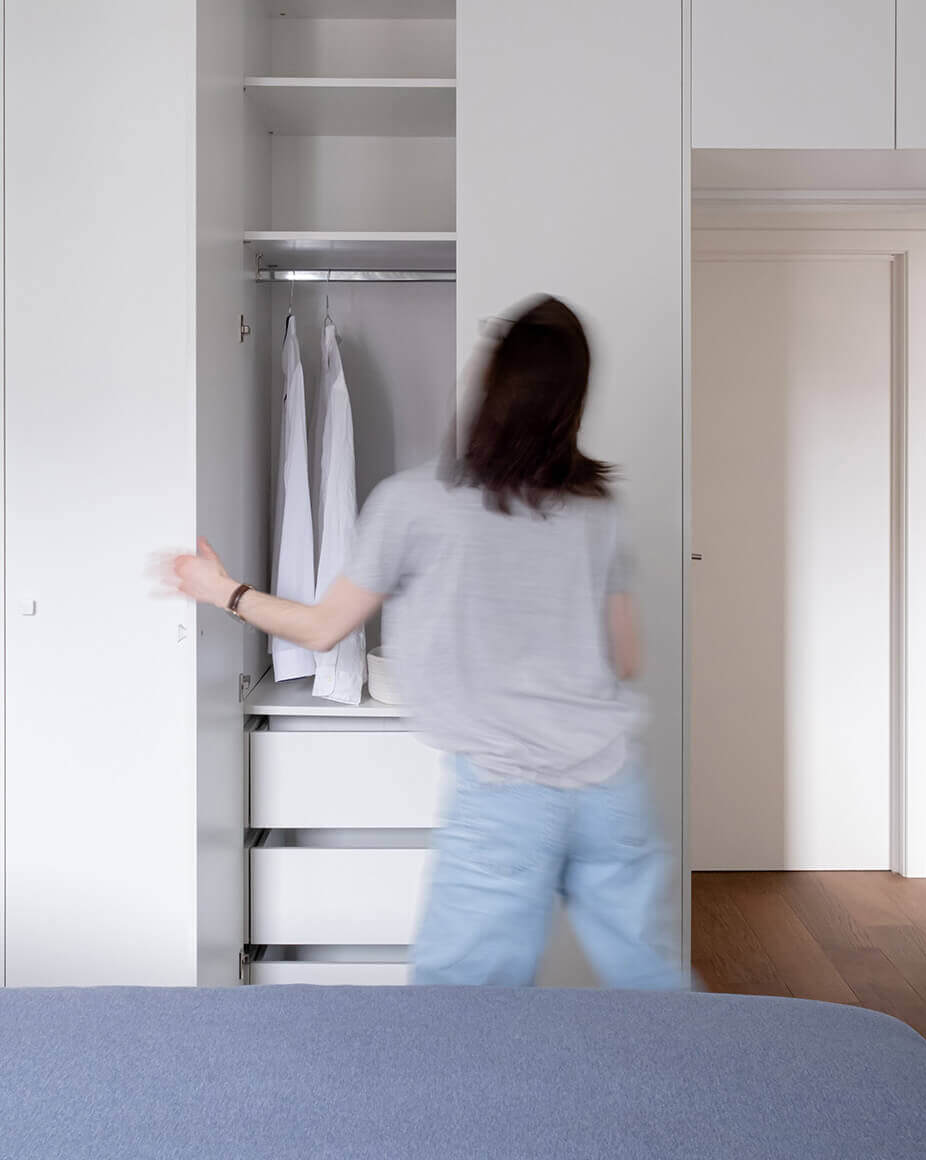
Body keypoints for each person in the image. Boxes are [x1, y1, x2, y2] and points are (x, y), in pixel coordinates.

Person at [167, 296, 683, 989]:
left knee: (455, 1014)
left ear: (491, 386)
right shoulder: (596, 508)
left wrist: (221, 590)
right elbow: (626, 658)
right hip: (613, 787)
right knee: (657, 992)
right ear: (572, 401)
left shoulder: (414, 502)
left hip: (506, 794)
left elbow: (324, 629)